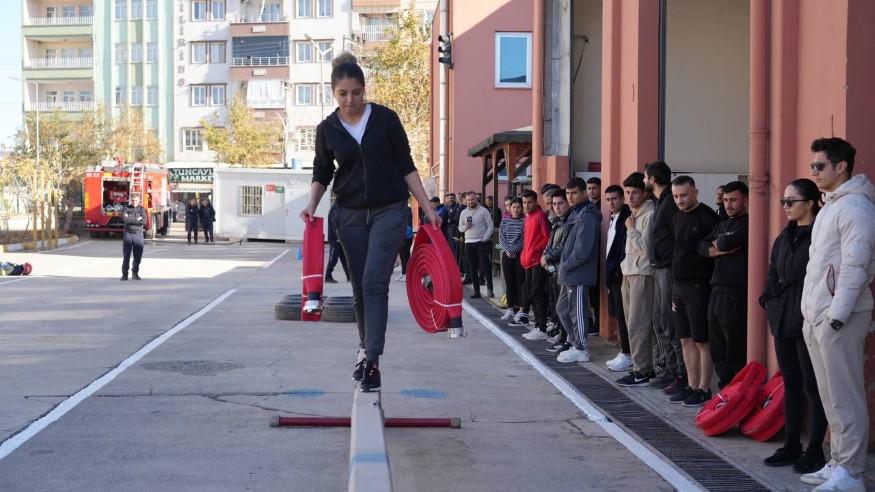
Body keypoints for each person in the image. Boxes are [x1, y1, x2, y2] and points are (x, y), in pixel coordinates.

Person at [301, 52, 440, 393]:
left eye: (357, 92)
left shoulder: (386, 120)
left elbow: (406, 165)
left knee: (375, 283)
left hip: (389, 211)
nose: (351, 100)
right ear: (334, 93)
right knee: (360, 288)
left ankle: (373, 359)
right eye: (343, 94)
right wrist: (311, 204)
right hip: (348, 216)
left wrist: (427, 209)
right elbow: (322, 172)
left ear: (365, 90)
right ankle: (366, 351)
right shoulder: (327, 129)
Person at [799, 137, 875, 491]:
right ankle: (839, 462)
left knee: (845, 395)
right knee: (830, 395)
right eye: (812, 165)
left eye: (819, 166)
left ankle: (853, 473)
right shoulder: (831, 205)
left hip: (839, 317)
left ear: (841, 166)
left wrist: (836, 318)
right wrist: (811, 315)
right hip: (819, 316)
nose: (813, 171)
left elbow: (855, 267)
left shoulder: (856, 207)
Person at [759, 178, 827, 473]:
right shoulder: (784, 236)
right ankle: (791, 445)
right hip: (782, 315)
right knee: (791, 382)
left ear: (810, 203)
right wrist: (768, 299)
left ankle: (814, 450)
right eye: (783, 201)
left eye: (791, 201)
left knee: (814, 385)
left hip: (808, 316)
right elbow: (773, 271)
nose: (785, 206)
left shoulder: (820, 236)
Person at [668, 176, 721, 407]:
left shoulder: (707, 217)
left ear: (696, 192)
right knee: (685, 339)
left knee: (702, 341)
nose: (680, 200)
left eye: (684, 195)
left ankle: (704, 388)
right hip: (678, 285)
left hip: (699, 286)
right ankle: (691, 386)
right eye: (676, 196)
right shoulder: (677, 216)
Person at [699, 180, 749, 389]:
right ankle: (724, 392)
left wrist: (718, 244)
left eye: (733, 200)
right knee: (717, 347)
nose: (728, 205)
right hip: (716, 291)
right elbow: (702, 247)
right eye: (726, 200)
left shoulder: (748, 223)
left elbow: (729, 241)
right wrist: (718, 248)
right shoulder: (721, 225)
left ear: (746, 200)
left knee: (734, 349)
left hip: (736, 292)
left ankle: (737, 394)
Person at [644, 161, 685, 391]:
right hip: (660, 267)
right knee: (661, 320)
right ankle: (671, 369)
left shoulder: (669, 202)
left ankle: (680, 372)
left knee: (670, 322)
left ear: (652, 178)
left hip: (668, 269)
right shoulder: (661, 201)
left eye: (645, 176)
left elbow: (677, 235)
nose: (643, 180)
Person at [616, 172, 657, 386]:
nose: (630, 197)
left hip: (642, 273)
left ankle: (642, 370)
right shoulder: (634, 213)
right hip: (629, 272)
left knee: (638, 324)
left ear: (644, 193)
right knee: (632, 324)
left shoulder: (649, 215)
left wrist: (631, 229)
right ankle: (642, 366)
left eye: (634, 193)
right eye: (627, 193)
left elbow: (646, 248)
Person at [555, 178, 601, 363]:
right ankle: (575, 344)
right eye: (568, 193)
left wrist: (564, 265)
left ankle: (582, 348)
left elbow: (582, 250)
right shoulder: (576, 213)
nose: (570, 196)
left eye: (574, 193)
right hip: (568, 274)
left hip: (579, 273)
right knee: (562, 309)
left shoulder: (587, 216)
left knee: (577, 311)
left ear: (584, 193)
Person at [603, 185, 633, 372]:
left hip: (621, 273)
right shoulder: (613, 217)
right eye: (608, 199)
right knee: (618, 315)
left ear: (622, 198)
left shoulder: (626, 217)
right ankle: (624, 351)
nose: (611, 202)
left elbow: (623, 248)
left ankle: (628, 354)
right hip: (613, 274)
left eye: (614, 198)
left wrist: (617, 271)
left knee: (624, 316)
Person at [540, 188, 573, 349]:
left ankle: (568, 339)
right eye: (554, 204)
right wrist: (545, 256)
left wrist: (546, 257)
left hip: (563, 270)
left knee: (564, 308)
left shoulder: (568, 223)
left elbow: (562, 247)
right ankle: (562, 335)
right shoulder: (557, 222)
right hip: (554, 270)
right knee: (556, 304)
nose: (556, 207)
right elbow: (550, 243)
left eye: (560, 203)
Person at [519, 189, 551, 339]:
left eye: (529, 202)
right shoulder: (527, 217)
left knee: (538, 293)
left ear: (536, 202)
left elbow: (547, 238)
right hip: (528, 261)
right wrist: (525, 253)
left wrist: (533, 250)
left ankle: (542, 327)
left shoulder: (539, 216)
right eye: (524, 202)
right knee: (531, 293)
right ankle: (537, 325)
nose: (526, 205)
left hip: (537, 260)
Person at [458, 191, 494, 298]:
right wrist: (466, 227)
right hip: (468, 243)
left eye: (472, 199)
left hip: (481, 242)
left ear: (476, 199)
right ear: (466, 200)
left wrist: (486, 238)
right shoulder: (464, 212)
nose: (470, 202)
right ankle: (476, 291)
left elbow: (490, 225)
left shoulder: (484, 210)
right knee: (472, 268)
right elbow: (459, 227)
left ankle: (490, 289)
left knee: (485, 266)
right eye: (468, 200)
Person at [498, 197, 525, 320]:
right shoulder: (505, 222)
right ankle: (510, 309)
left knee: (520, 282)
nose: (516, 209)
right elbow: (501, 238)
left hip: (520, 255)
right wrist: (507, 250)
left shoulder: (525, 221)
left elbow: (524, 239)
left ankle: (521, 308)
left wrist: (513, 250)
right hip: (507, 254)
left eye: (518, 207)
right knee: (509, 283)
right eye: (513, 207)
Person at [121, 194, 146, 281]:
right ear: (130, 200)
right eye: (133, 200)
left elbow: (144, 220)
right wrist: (137, 219)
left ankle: (135, 273)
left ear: (139, 200)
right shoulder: (126, 208)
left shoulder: (141, 209)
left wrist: (131, 219)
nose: (134, 202)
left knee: (138, 256)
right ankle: (124, 274)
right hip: (128, 234)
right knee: (126, 255)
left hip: (138, 234)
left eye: (136, 200)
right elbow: (124, 219)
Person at [325, 202, 349, 283]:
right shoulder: (336, 208)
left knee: (344, 258)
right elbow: (335, 222)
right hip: (335, 238)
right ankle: (328, 276)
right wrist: (338, 235)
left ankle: (349, 275)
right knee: (333, 258)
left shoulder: (338, 207)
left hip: (340, 237)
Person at [396, 204, 414, 282]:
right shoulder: (403, 214)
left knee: (405, 256)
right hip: (402, 236)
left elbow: (407, 228)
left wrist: (402, 237)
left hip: (406, 237)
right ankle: (403, 273)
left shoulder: (407, 214)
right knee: (402, 256)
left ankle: (408, 274)